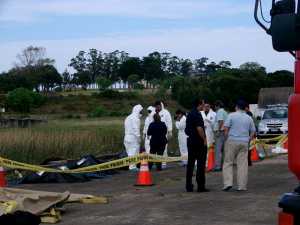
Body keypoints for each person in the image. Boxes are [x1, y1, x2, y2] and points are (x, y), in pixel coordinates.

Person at [222, 100, 256, 192]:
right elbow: (253, 131)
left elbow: (226, 129)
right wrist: (248, 139)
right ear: (245, 108)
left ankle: (228, 184)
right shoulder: (249, 118)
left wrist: (227, 138)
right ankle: (242, 186)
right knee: (242, 165)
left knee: (228, 162)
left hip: (232, 140)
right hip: (244, 142)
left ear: (236, 107)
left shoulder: (231, 115)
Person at [185, 99, 209, 192]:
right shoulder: (197, 114)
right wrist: (204, 139)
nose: (204, 106)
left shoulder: (190, 114)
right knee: (200, 164)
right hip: (198, 142)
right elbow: (199, 128)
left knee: (190, 164)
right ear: (199, 105)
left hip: (190, 141)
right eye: (203, 104)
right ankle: (200, 186)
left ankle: (188, 185)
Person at [124, 104, 143, 171]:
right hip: (133, 138)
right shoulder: (135, 118)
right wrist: (139, 138)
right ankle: (132, 167)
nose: (141, 113)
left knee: (130, 153)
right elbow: (136, 129)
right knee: (133, 152)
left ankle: (131, 166)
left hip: (126, 137)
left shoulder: (128, 117)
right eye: (140, 111)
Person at [154, 101, 173, 169]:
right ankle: (158, 163)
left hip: (164, 133)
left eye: (158, 106)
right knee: (156, 149)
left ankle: (164, 163)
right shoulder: (155, 112)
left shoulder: (166, 112)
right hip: (156, 134)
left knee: (163, 149)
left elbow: (169, 122)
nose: (157, 107)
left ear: (161, 106)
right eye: (156, 106)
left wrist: (170, 131)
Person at [213, 100, 228, 172]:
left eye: (215, 106)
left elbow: (220, 121)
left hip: (220, 132)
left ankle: (217, 166)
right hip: (224, 132)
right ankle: (223, 165)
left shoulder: (219, 111)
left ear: (217, 106)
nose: (214, 108)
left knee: (218, 150)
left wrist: (218, 131)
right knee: (224, 150)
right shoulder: (225, 112)